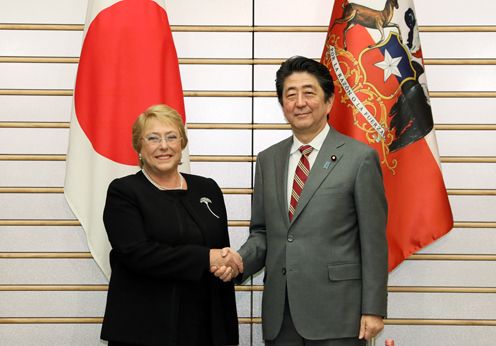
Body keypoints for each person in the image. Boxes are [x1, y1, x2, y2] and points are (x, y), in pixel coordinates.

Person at [214, 56, 388, 345]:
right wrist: (239, 261)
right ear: (283, 105)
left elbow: (373, 240)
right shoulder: (269, 160)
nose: (300, 102)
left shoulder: (359, 158)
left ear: (329, 101)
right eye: (290, 94)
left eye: (309, 92)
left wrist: (373, 308)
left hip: (339, 315)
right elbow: (263, 232)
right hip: (281, 316)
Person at [100, 104, 242, 346]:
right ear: (140, 147)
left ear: (182, 143)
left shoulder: (207, 188)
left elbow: (220, 249)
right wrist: (208, 258)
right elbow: (138, 254)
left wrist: (230, 264)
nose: (163, 146)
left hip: (205, 327)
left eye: (171, 137)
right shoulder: (124, 192)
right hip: (146, 330)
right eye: (153, 138)